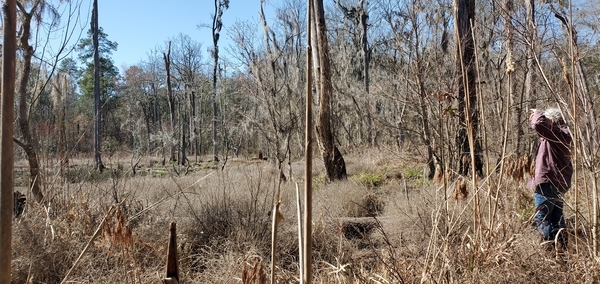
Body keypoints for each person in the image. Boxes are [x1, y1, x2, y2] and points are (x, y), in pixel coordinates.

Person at [528, 107, 573, 251]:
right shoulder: (562, 134)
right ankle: (562, 254)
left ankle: (548, 254)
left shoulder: (557, 133)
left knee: (542, 217)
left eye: (546, 121)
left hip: (549, 182)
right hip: (558, 183)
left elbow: (537, 124)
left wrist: (538, 113)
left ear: (551, 121)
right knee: (556, 219)